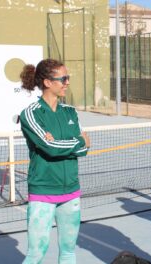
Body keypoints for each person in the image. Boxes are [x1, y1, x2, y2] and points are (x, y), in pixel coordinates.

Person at [19, 58, 90, 264]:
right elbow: (49, 148)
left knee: (68, 252)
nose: (67, 82)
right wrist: (75, 142)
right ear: (48, 82)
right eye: (63, 78)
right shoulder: (30, 114)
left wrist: (61, 143)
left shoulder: (70, 112)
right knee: (36, 254)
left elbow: (84, 148)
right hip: (43, 192)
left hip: (71, 191)